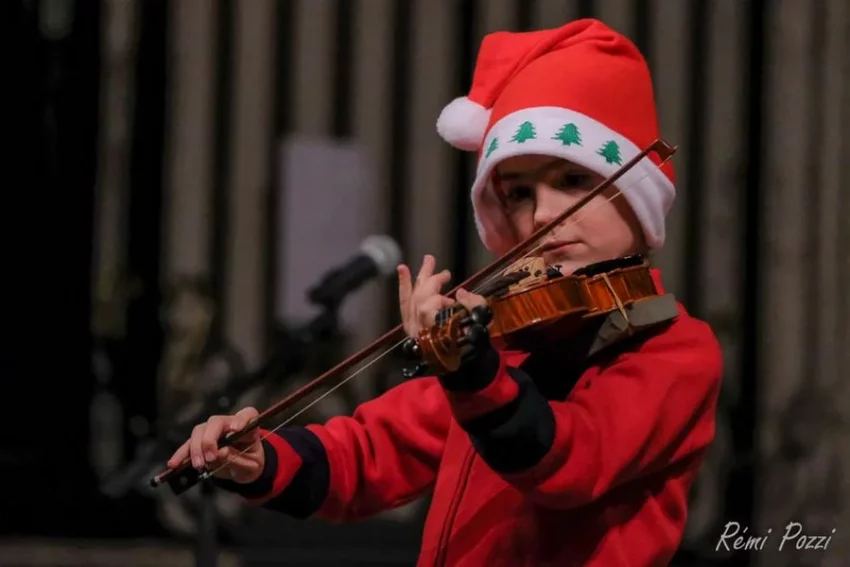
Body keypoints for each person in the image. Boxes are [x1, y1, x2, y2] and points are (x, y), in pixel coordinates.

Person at [168, 19, 723, 566]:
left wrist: (475, 374)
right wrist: (264, 462)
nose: (545, 215)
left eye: (574, 181)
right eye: (519, 194)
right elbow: (371, 453)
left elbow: (568, 462)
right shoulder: (509, 337)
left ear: (636, 191)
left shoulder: (675, 352)